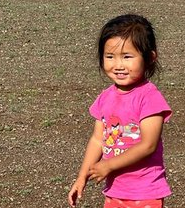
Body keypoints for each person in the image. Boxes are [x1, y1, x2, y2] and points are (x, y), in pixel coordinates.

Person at [68, 14, 172, 208]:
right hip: (115, 189)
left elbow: (148, 145)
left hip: (145, 191)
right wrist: (82, 176)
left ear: (150, 58)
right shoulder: (105, 97)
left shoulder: (149, 98)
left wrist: (108, 165)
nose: (118, 66)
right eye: (110, 57)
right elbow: (97, 139)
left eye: (127, 57)